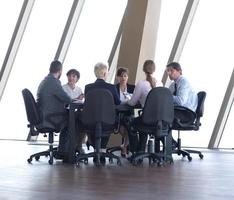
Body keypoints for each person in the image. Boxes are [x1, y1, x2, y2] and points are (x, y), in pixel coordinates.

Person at [83, 62, 121, 161]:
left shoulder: (88, 87)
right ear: (104, 74)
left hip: (90, 122)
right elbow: (118, 102)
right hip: (108, 123)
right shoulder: (111, 88)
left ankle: (97, 150)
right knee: (106, 120)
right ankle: (102, 151)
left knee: (94, 121)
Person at [36, 60, 72, 158]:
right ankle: (64, 151)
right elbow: (68, 99)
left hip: (43, 116)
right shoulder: (53, 82)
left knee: (68, 118)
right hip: (49, 118)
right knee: (72, 121)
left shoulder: (45, 80)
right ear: (60, 71)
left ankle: (63, 149)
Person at [126, 60, 161, 154]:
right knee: (142, 122)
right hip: (159, 119)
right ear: (154, 70)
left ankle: (136, 150)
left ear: (143, 69)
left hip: (146, 118)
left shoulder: (141, 84)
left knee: (130, 121)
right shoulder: (160, 84)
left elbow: (132, 103)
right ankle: (142, 151)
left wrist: (127, 100)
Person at [166, 62, 198, 148]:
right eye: (167, 71)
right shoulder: (173, 84)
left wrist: (168, 96)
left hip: (187, 114)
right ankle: (170, 145)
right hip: (179, 111)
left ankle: (170, 146)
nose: (169, 73)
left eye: (171, 70)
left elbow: (181, 101)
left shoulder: (184, 82)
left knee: (162, 118)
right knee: (159, 117)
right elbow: (167, 97)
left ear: (179, 71)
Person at [63, 69, 86, 153]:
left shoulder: (79, 89)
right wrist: (77, 98)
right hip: (66, 113)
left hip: (77, 113)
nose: (71, 78)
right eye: (69, 76)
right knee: (78, 122)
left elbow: (80, 103)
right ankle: (73, 146)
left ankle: (79, 145)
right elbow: (65, 102)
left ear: (77, 78)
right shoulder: (63, 88)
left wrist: (81, 99)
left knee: (84, 122)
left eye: (73, 76)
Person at [115, 67, 135, 157]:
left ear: (127, 77)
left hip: (128, 112)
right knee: (121, 127)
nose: (123, 78)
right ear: (117, 77)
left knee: (129, 124)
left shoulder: (132, 88)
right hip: (117, 112)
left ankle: (124, 146)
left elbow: (135, 101)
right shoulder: (114, 88)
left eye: (125, 76)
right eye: (120, 76)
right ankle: (126, 145)